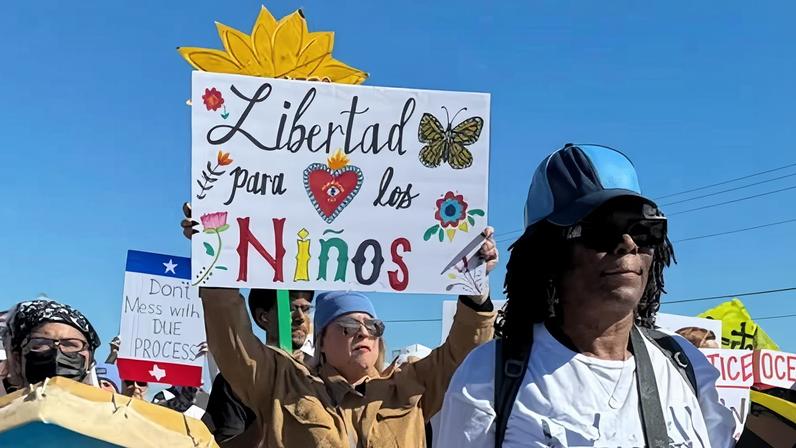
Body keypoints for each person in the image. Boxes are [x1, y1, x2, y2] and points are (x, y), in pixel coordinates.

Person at [436, 144, 736, 447]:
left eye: (645, 229)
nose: (629, 244)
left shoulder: (686, 365)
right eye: (603, 229)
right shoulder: (487, 375)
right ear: (549, 252)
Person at [183, 203, 498, 446]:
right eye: (347, 325)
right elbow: (232, 343)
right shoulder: (282, 383)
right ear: (321, 340)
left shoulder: (410, 386)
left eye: (372, 325)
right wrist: (217, 258)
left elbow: (465, 355)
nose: (363, 332)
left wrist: (475, 289)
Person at [204, 288, 315, 446]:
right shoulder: (233, 381)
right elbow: (220, 444)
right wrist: (267, 422)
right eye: (290, 308)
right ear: (263, 317)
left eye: (306, 309)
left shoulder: (319, 378)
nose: (301, 318)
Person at [4, 298, 101, 391]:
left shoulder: (110, 407)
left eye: (70, 345)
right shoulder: (5, 407)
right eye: (41, 344)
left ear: (89, 359)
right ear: (17, 359)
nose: (57, 354)